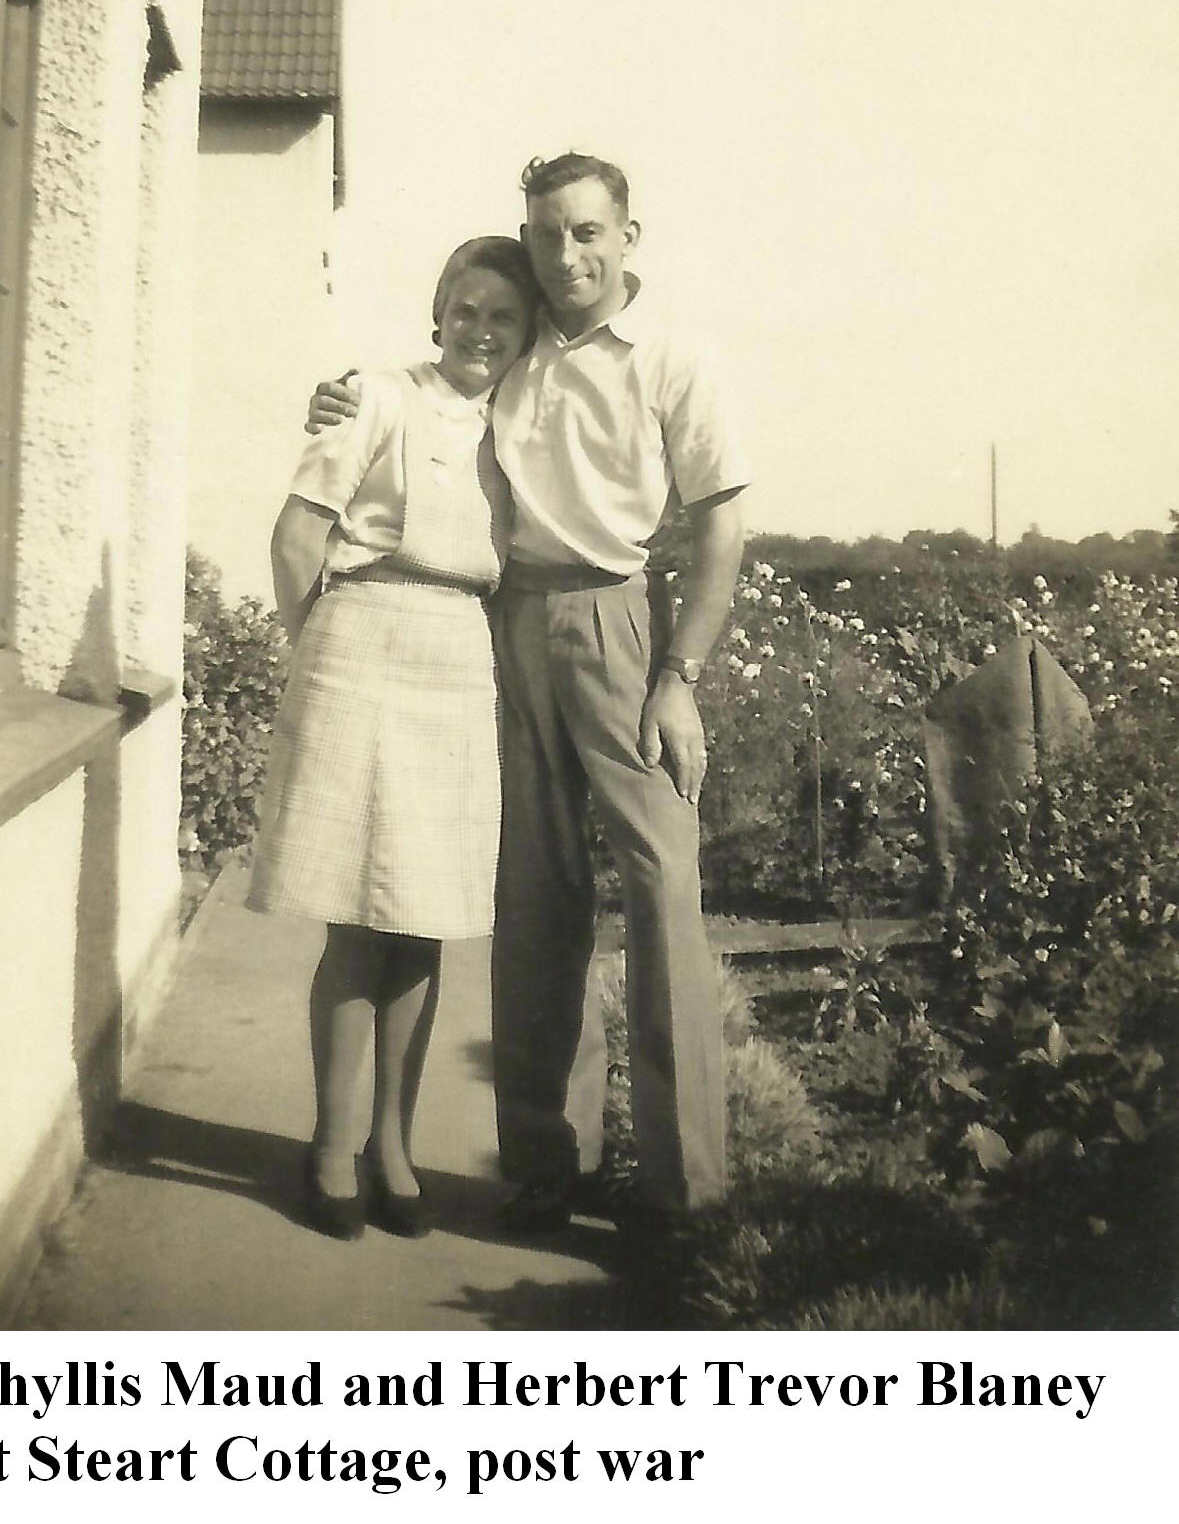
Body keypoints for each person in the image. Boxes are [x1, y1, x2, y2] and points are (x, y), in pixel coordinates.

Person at [309, 153, 751, 1232]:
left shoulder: (674, 359)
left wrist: (679, 677)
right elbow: (422, 390)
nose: (565, 254)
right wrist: (334, 399)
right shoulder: (516, 341)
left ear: (627, 237)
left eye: (586, 232)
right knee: (534, 902)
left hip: (619, 626)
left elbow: (721, 526)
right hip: (506, 625)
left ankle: (686, 1196)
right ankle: (547, 1165)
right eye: (546, 234)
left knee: (662, 892)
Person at [249, 236, 539, 1239]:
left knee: (422, 917)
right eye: (466, 309)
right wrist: (314, 645)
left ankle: (393, 1148)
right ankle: (331, 1148)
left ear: (524, 335)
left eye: (502, 317)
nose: (480, 331)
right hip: (361, 641)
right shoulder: (375, 395)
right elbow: (297, 534)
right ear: (438, 312)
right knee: (353, 917)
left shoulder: (521, 426)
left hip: (457, 657)